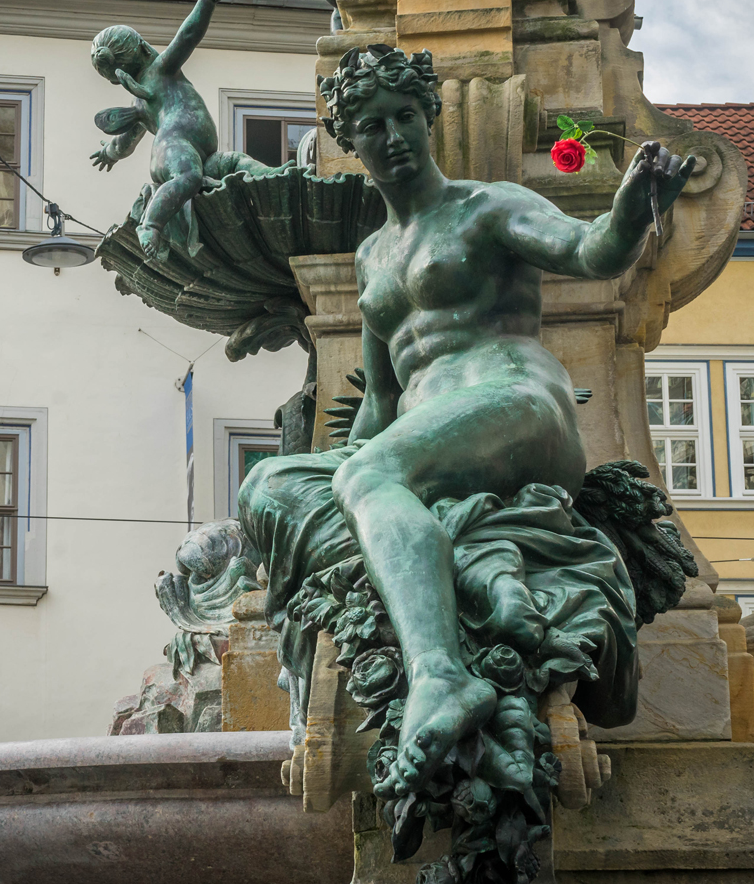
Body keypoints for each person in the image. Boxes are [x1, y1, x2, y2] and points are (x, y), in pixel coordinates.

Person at [238, 45, 696, 798]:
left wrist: (630, 208)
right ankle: (446, 605)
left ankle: (442, 677)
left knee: (368, 473)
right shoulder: (372, 257)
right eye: (372, 125)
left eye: (404, 117)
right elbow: (382, 403)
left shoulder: (488, 205)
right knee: (270, 484)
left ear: (430, 118)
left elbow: (589, 252)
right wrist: (324, 477)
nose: (392, 137)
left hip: (517, 407)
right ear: (350, 141)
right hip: (425, 436)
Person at [89, 0, 274, 260]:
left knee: (236, 163)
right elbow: (188, 35)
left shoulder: (141, 99)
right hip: (174, 146)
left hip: (200, 152)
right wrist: (206, 1)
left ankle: (276, 178)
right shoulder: (160, 70)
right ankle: (150, 225)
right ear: (142, 47)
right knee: (188, 175)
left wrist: (110, 153)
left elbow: (125, 142)